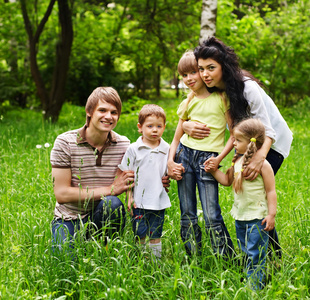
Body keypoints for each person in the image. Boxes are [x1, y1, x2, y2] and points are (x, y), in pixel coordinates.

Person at [182, 36, 293, 259]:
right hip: (248, 142)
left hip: (274, 142)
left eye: (211, 68)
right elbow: (223, 127)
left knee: (257, 197)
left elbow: (268, 130)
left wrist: (260, 158)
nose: (205, 74)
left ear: (224, 66)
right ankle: (266, 255)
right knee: (252, 199)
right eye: (201, 68)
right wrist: (186, 124)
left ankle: (270, 258)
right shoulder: (214, 90)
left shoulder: (247, 87)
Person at [50, 87, 136, 251]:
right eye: (102, 110)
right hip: (69, 218)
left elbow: (133, 177)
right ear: (89, 112)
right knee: (63, 264)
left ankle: (105, 249)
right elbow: (61, 194)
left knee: (113, 204)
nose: (108, 117)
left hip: (103, 213)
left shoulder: (124, 144)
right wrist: (111, 189)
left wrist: (160, 178)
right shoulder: (65, 143)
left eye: (114, 112)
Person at [167, 51, 235, 258]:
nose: (189, 79)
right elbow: (176, 138)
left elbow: (234, 135)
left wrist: (219, 159)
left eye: (193, 72)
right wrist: (170, 161)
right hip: (185, 156)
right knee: (187, 213)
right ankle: (193, 258)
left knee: (211, 214)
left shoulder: (221, 98)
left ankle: (223, 258)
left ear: (203, 72)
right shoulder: (188, 101)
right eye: (183, 75)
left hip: (208, 160)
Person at [209, 118, 277, 290]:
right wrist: (214, 171)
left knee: (255, 253)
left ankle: (254, 287)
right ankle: (252, 279)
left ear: (251, 142)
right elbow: (226, 181)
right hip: (241, 216)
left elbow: (271, 191)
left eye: (238, 140)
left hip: (257, 217)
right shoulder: (237, 161)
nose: (234, 143)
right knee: (246, 251)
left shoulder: (263, 165)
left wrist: (271, 215)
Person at [118, 104, 170, 260]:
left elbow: (169, 171)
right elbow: (127, 175)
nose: (155, 130)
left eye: (159, 126)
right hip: (139, 202)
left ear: (164, 127)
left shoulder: (167, 148)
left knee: (156, 233)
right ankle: (140, 260)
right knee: (139, 233)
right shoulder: (134, 149)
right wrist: (130, 196)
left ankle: (156, 262)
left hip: (158, 200)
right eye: (150, 126)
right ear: (140, 127)